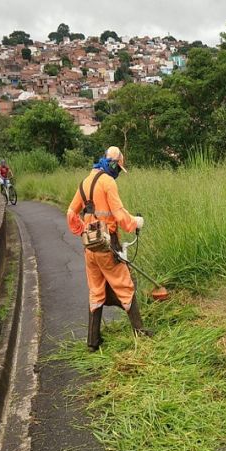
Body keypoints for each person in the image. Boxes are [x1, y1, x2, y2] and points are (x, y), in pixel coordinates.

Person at [66, 146, 149, 351]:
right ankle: (140, 332)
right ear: (113, 165)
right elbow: (120, 215)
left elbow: (70, 212)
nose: (118, 173)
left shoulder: (85, 182)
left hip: (89, 248)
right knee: (125, 285)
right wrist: (135, 223)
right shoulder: (108, 182)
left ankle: (93, 342)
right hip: (107, 244)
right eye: (119, 169)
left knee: (96, 290)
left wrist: (82, 229)